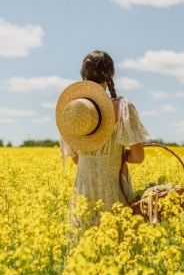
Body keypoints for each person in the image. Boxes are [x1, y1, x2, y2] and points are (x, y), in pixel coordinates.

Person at [56, 50, 150, 223]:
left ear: (83, 76)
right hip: (113, 189)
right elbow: (138, 157)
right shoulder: (123, 108)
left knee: (84, 244)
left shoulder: (73, 112)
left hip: (83, 191)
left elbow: (76, 160)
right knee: (117, 243)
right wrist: (119, 156)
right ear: (112, 74)